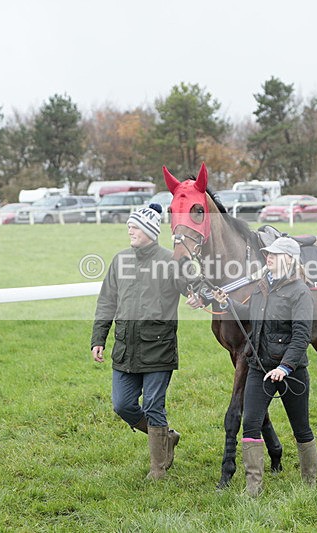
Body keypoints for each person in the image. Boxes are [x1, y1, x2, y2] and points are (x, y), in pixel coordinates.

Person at [210, 236, 317, 496]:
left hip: (291, 372)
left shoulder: (300, 292)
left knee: (301, 428)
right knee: (251, 424)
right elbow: (251, 315)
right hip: (259, 367)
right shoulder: (261, 286)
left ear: (289, 260)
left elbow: (302, 335)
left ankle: (310, 483)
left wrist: (286, 367)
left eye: (275, 254)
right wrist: (227, 303)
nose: (268, 257)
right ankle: (253, 488)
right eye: (268, 254)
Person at [91, 202, 190, 480]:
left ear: (149, 230)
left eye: (134, 227)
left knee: (153, 406)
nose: (129, 231)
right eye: (129, 227)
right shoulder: (120, 260)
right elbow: (106, 302)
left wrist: (198, 294)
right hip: (125, 349)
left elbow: (191, 287)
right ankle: (166, 437)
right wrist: (99, 338)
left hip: (158, 348)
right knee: (122, 405)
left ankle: (158, 469)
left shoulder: (171, 260)